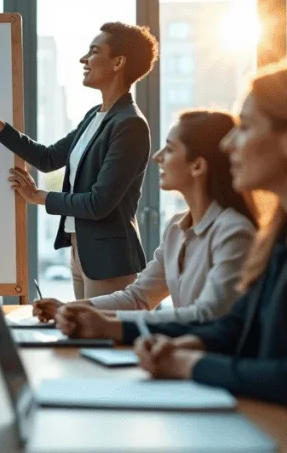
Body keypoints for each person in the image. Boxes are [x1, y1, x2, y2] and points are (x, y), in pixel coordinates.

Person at [57, 64, 287, 453]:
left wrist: (187, 364)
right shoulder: (285, 232)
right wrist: (123, 332)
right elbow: (233, 326)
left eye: (245, 127)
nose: (229, 144)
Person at [0, 22, 158, 299]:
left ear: (118, 63)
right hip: (82, 249)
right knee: (84, 335)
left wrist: (38, 196)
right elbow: (48, 157)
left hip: (108, 259)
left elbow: (98, 203)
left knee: (101, 339)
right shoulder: (95, 115)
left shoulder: (130, 124)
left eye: (93, 51)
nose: (83, 59)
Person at [33, 110, 257, 328]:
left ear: (197, 166)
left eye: (169, 149)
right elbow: (138, 298)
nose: (157, 157)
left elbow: (206, 315)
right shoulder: (176, 228)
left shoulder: (234, 232)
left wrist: (110, 326)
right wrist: (71, 308)